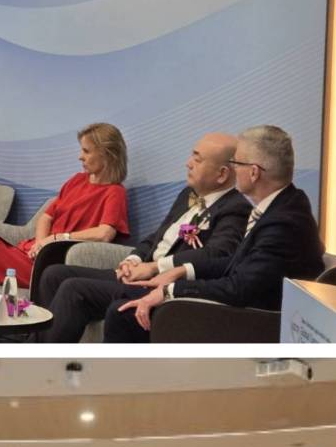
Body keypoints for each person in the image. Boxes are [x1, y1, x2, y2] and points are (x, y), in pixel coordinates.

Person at [102, 125, 325, 343]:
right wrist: (181, 272)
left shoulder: (282, 223)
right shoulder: (286, 204)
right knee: (125, 297)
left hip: (249, 320)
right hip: (242, 305)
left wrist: (171, 290)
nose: (233, 170)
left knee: (122, 312)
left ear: (254, 172)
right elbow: (239, 263)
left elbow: (239, 287)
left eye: (236, 163)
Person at [35, 132, 251, 339]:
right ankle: (33, 350)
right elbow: (156, 237)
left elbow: (217, 254)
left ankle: (40, 363)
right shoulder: (188, 194)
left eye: (197, 158)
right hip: (140, 272)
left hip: (159, 283)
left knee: (74, 289)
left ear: (222, 174)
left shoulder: (235, 208)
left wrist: (155, 267)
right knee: (53, 274)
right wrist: (133, 260)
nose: (188, 163)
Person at [0, 121, 130, 343]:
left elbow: (105, 233)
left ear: (107, 155)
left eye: (86, 151)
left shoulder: (115, 193)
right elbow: (46, 217)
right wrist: (40, 242)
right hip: (32, 252)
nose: (80, 157)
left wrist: (56, 240)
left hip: (49, 264)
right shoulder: (76, 181)